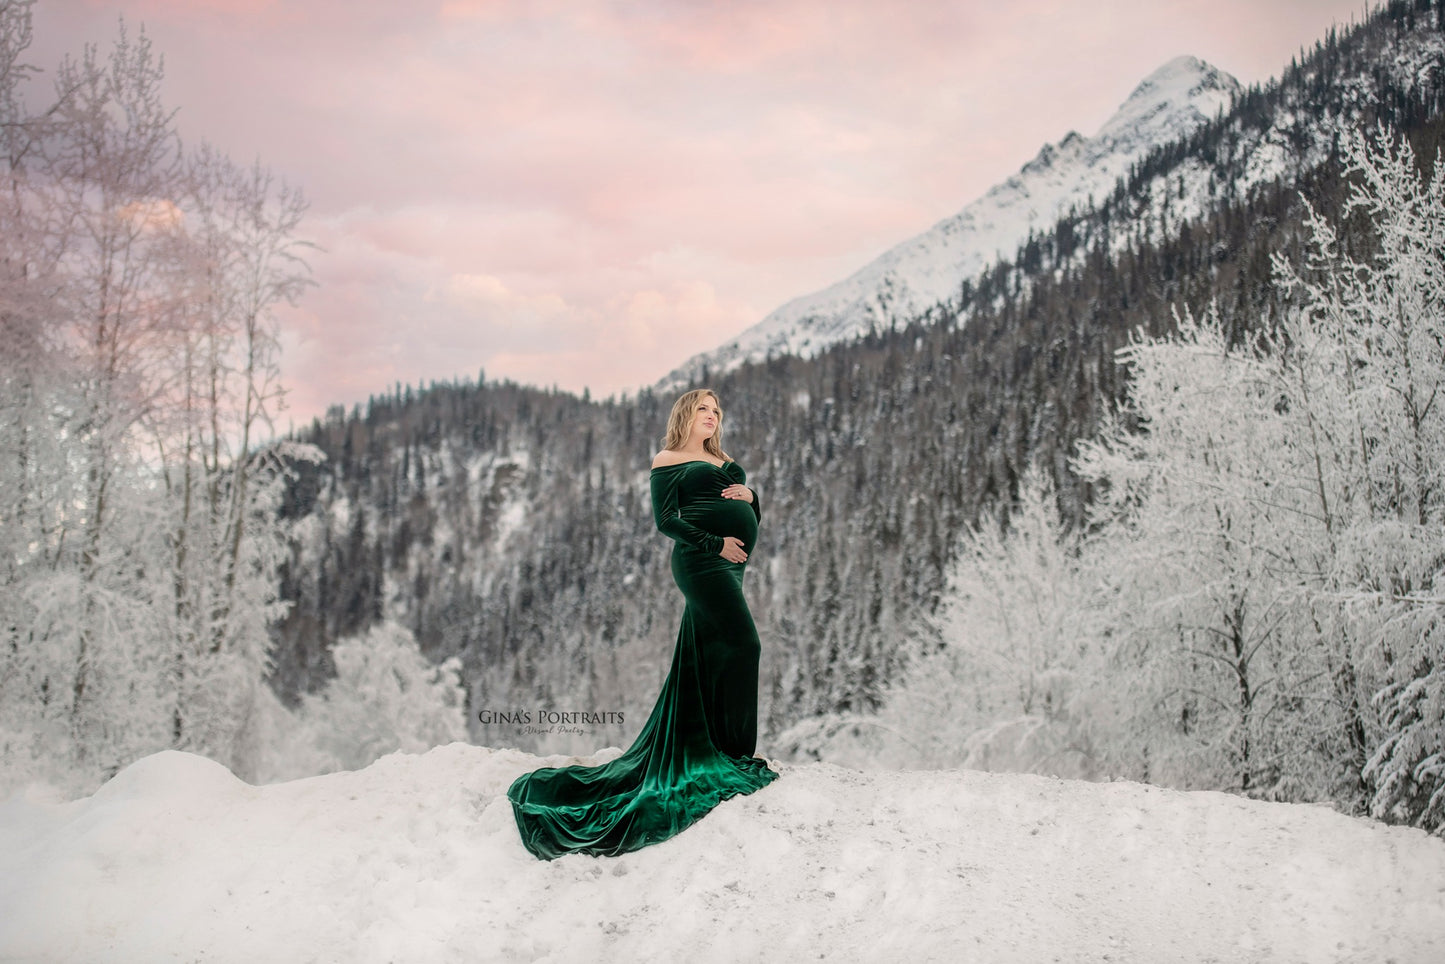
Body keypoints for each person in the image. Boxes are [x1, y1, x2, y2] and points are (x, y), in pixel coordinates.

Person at [506, 388, 779, 859]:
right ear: (685, 415)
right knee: (743, 644)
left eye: (717, 411)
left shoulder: (724, 460)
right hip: (702, 562)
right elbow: (665, 521)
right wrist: (715, 543)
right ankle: (733, 754)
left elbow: (750, 513)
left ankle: (722, 749)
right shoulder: (668, 458)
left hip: (731, 565)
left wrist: (753, 497)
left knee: (709, 654)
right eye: (703, 409)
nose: (712, 417)